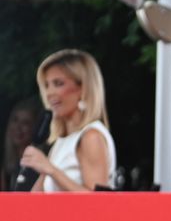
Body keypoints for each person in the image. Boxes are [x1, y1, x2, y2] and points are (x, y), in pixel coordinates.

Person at [20, 48, 116, 192]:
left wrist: (51, 170)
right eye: (46, 85)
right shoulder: (60, 142)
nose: (49, 93)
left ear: (83, 88)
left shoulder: (91, 137)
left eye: (58, 83)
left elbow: (99, 203)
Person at [1, 96, 41, 190]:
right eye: (15, 120)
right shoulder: (7, 164)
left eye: (25, 123)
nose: (18, 128)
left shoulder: (38, 164)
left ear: (34, 128)